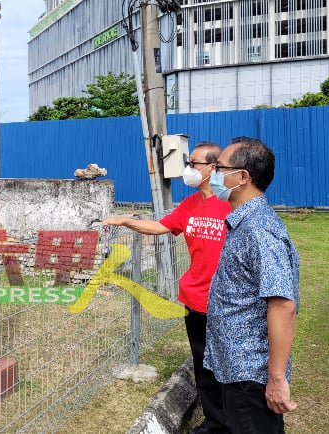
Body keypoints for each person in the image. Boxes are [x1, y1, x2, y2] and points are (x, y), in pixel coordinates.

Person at [105, 141, 231, 434]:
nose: (188, 170)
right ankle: (215, 422)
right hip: (194, 298)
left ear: (213, 168)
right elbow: (161, 227)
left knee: (229, 365)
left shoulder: (232, 204)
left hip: (226, 301)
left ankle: (236, 420)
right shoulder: (189, 204)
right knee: (203, 365)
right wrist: (125, 220)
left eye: (194, 164)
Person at [204, 136, 300, 434]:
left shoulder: (259, 231)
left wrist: (276, 378)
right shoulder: (244, 223)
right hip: (236, 367)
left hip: (251, 374)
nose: (212, 174)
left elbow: (283, 305)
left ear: (242, 177)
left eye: (219, 167)